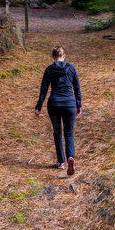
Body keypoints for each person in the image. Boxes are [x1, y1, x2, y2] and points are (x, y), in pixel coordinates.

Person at [35, 45, 82, 174]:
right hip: (69, 104)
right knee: (69, 132)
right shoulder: (71, 68)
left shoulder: (49, 70)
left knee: (57, 132)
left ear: (53, 57)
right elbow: (77, 87)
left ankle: (61, 162)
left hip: (54, 104)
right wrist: (78, 105)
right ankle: (70, 158)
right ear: (63, 56)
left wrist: (38, 106)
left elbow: (43, 89)